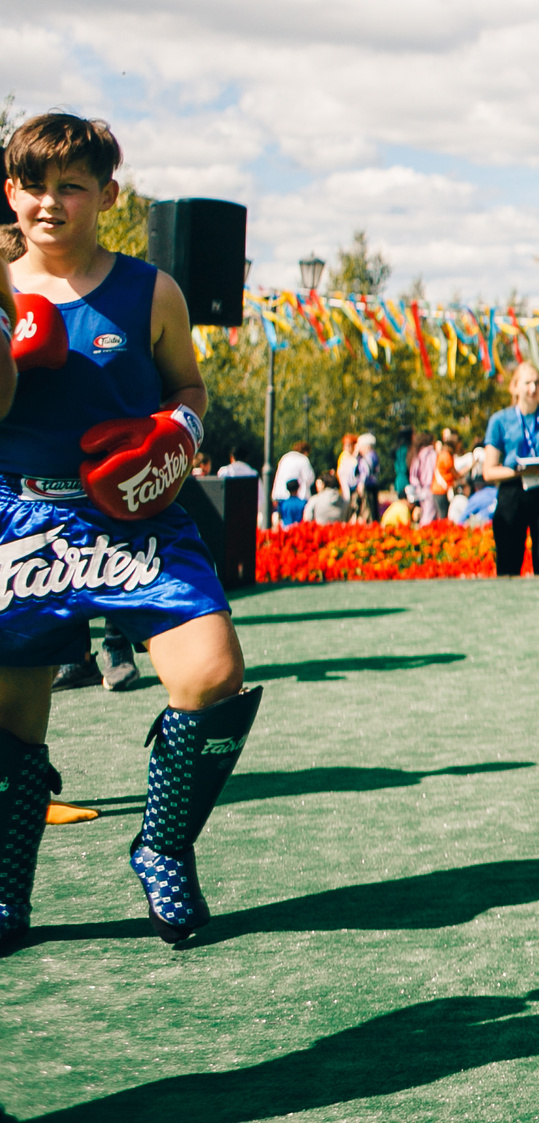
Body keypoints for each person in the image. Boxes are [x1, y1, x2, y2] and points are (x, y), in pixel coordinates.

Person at [0, 113, 262, 946]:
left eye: (71, 185)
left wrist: (177, 435)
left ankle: (161, 845)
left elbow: (189, 384)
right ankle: (7, 891)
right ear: (10, 192)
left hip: (137, 509)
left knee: (213, 670)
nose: (51, 202)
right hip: (22, 515)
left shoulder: (152, 289)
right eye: (34, 185)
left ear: (107, 195)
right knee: (12, 721)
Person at [482, 364, 539, 576]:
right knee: (508, 564)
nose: (533, 388)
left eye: (537, 383)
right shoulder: (499, 420)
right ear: (514, 387)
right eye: (527, 383)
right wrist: (517, 471)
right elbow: (489, 471)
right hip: (513, 493)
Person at [271, 437, 315, 513]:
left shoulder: (285, 458)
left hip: (280, 495)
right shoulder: (303, 459)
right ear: (305, 452)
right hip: (296, 498)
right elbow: (309, 478)